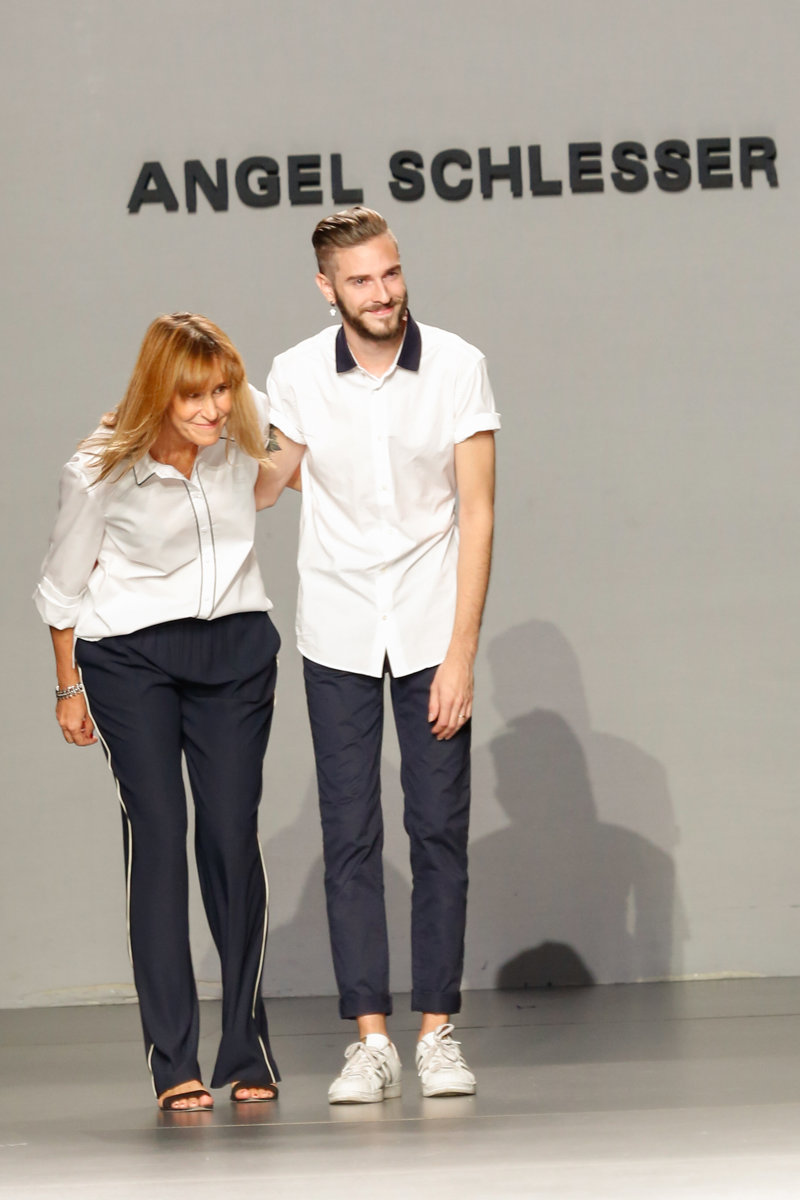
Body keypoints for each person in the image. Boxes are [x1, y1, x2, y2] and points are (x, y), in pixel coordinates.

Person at [259, 207, 499, 1102]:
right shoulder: (294, 375)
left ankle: (437, 1033)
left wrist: (462, 654)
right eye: (360, 280)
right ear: (327, 289)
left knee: (437, 830)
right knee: (349, 834)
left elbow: (478, 513)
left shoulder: (458, 365)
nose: (382, 292)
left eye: (390, 272)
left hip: (434, 626)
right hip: (339, 628)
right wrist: (195, 439)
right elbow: (268, 485)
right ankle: (370, 1041)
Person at [34, 314, 282, 1112]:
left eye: (222, 390)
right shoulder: (99, 468)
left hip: (235, 651)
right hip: (130, 660)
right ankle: (172, 1058)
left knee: (231, 835)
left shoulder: (243, 432)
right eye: (193, 396)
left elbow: (299, 436)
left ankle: (246, 1046)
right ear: (158, 393)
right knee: (160, 836)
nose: (213, 409)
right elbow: (62, 587)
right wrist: (68, 688)